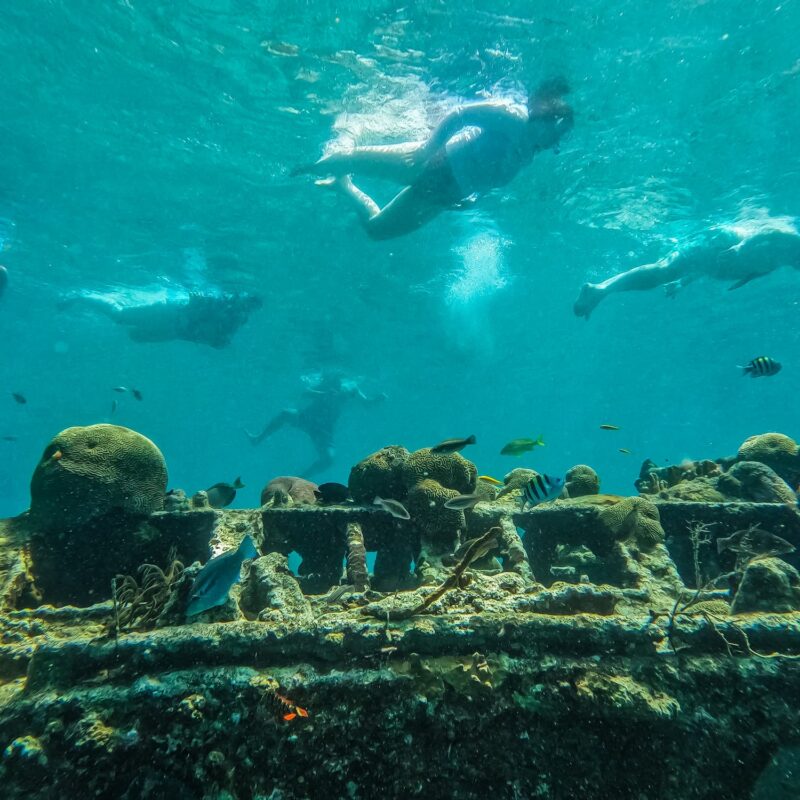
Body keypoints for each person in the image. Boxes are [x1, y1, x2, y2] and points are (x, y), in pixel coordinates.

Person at [293, 78, 573, 240]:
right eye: (557, 134)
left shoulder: (530, 152)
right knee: (344, 159)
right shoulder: (513, 118)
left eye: (559, 139)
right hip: (431, 164)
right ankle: (306, 161)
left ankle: (344, 186)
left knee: (377, 231)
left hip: (443, 197)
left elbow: (490, 174)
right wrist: (427, 150)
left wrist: (474, 198)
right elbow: (460, 114)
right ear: (548, 118)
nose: (556, 144)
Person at [574, 216, 800, 319]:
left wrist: (684, 282)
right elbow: (768, 232)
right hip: (720, 241)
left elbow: (739, 269)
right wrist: (741, 247)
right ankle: (601, 289)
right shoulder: (793, 240)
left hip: (713, 255)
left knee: (664, 273)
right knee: (663, 270)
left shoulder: (784, 261)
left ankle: (603, 289)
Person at [246, 370, 385, 478]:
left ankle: (300, 478)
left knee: (329, 459)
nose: (333, 384)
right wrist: (322, 393)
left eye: (335, 381)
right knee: (285, 413)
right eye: (329, 381)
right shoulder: (324, 385)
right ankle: (258, 438)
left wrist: (376, 400)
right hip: (307, 418)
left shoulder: (351, 388)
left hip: (324, 429)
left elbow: (366, 403)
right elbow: (304, 393)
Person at [60, 286, 262, 348]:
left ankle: (87, 298)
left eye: (250, 307)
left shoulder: (236, 320)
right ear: (240, 296)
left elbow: (219, 344)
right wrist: (195, 304)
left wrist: (220, 339)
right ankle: (81, 296)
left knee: (136, 337)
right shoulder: (218, 299)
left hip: (175, 331)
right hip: (169, 312)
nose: (245, 307)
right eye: (246, 301)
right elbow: (194, 301)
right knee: (119, 316)